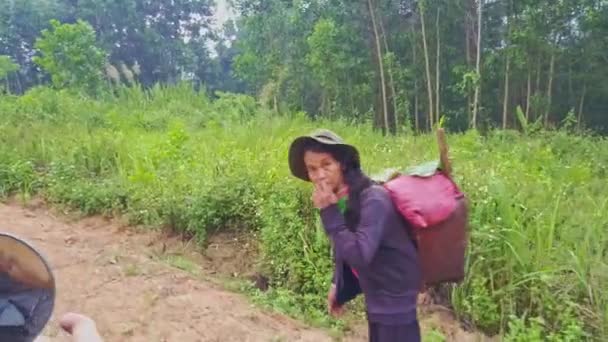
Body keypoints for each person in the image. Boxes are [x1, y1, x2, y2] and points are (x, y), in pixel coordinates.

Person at [288, 129, 422, 342]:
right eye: (312, 169)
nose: (319, 175)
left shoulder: (373, 200)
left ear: (341, 163)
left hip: (395, 298)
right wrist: (337, 285)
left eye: (326, 165)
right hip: (377, 296)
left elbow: (359, 253)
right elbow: (344, 244)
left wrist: (329, 212)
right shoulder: (345, 199)